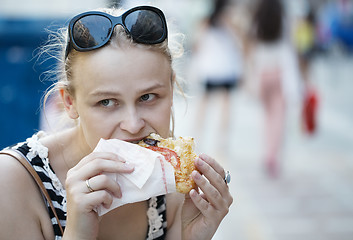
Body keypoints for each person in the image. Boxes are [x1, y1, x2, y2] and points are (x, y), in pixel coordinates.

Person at [0, 6, 233, 240]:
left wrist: (191, 237)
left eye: (147, 97)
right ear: (70, 103)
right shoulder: (14, 182)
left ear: (171, 90)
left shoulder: (172, 187)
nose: (132, 125)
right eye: (107, 102)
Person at [245, 0, 302, 177]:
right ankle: (273, 157)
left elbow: (251, 46)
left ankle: (267, 154)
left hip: (262, 73)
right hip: (279, 71)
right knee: (278, 117)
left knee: (267, 116)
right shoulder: (283, 19)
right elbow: (291, 45)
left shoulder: (258, 18)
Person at [190, 0, 244, 151]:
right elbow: (240, 45)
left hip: (211, 68)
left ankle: (199, 138)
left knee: (206, 104)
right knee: (223, 105)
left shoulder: (207, 21)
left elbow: (197, 44)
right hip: (223, 68)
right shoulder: (229, 22)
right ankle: (220, 141)